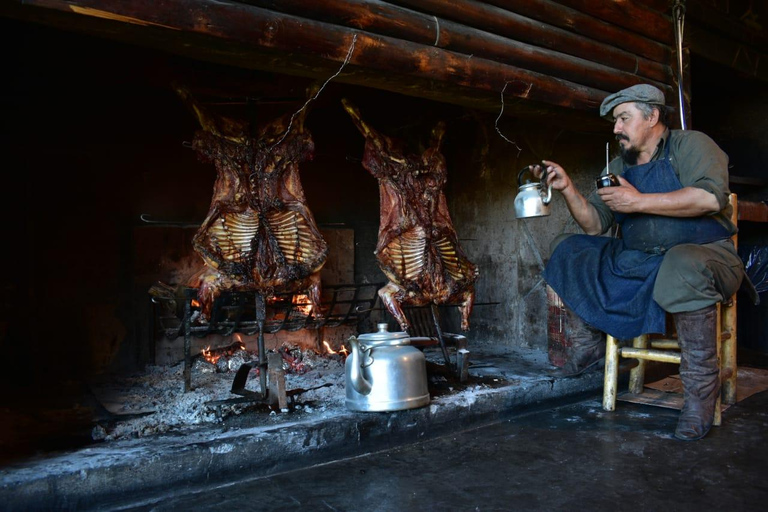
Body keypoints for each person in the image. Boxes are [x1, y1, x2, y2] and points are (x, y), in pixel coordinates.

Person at [533, 84, 758, 441]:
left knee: (682, 263)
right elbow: (595, 224)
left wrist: (637, 201)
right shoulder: (619, 163)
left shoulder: (691, 145)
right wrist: (568, 190)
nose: (616, 128)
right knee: (570, 248)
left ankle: (700, 396)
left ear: (652, 117)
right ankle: (590, 345)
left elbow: (708, 199)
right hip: (641, 261)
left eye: (623, 118)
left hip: (705, 255)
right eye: (615, 121)